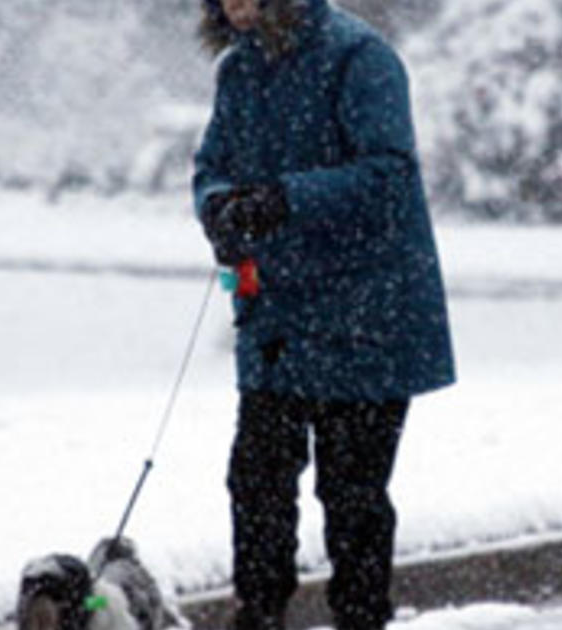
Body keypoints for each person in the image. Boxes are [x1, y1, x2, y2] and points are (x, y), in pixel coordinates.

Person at [193, 0, 456, 628]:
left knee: (352, 495)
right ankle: (257, 613)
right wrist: (220, 209)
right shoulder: (238, 70)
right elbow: (211, 168)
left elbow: (388, 174)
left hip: (369, 313)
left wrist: (285, 200)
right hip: (277, 313)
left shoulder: (360, 58)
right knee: (256, 480)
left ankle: (361, 617)